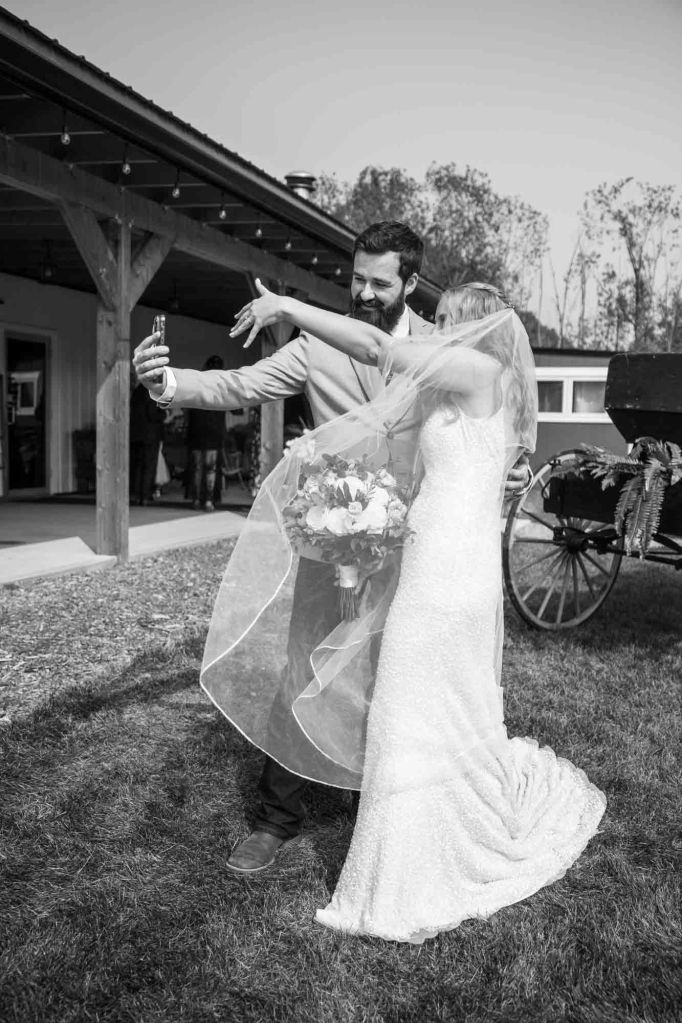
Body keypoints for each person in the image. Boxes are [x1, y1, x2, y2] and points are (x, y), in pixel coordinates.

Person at [132, 222, 533, 873]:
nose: (365, 290)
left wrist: (504, 468)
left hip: (418, 545)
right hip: (336, 525)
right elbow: (240, 384)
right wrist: (168, 384)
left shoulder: (443, 343)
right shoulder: (317, 343)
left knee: (399, 674)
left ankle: (387, 797)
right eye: (358, 278)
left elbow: (475, 427)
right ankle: (276, 817)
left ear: (409, 283)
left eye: (381, 281)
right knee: (304, 664)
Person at [227, 278, 606, 942]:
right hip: (449, 566)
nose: (435, 331)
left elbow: (377, 344)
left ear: (477, 326)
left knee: (403, 706)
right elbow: (409, 454)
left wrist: (288, 308)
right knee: (433, 707)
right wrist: (318, 460)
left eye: (448, 321)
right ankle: (426, 839)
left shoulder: (479, 366)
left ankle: (403, 880)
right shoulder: (470, 386)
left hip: (445, 580)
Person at [186, 355, 228, 512]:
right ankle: (209, 500)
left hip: (197, 430)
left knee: (197, 467)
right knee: (211, 468)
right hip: (214, 431)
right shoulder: (221, 386)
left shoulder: (198, 384)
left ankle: (196, 499)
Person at [129, 381, 165, 506]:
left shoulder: (136, 391)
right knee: (149, 465)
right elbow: (153, 413)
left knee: (139, 465)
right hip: (151, 434)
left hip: (136, 434)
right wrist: (164, 414)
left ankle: (137, 494)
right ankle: (146, 495)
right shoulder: (152, 391)